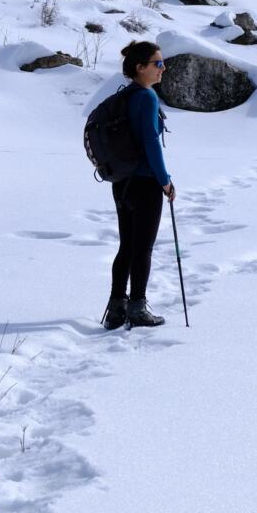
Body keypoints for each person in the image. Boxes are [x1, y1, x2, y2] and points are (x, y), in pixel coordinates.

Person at [104, 41, 175, 329]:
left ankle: (116, 308)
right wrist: (165, 181)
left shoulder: (126, 96)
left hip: (122, 182)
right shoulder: (146, 97)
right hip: (145, 183)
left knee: (127, 246)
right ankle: (137, 307)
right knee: (142, 248)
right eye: (157, 63)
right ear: (140, 67)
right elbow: (151, 143)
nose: (163, 68)